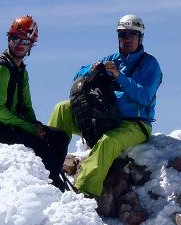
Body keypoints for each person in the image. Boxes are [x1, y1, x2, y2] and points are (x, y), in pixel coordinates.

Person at [48, 14, 162, 198]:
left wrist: (119, 76)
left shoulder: (150, 65)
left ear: (140, 37)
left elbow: (144, 96)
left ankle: (84, 193)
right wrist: (93, 69)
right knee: (62, 108)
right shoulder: (113, 59)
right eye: (122, 34)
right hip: (106, 118)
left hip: (135, 124)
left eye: (132, 34)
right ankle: (47, 167)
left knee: (108, 142)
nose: (127, 39)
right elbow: (79, 73)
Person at [0, 15, 71, 190]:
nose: (19, 44)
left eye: (25, 41)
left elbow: (26, 106)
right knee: (39, 144)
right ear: (9, 38)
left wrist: (36, 126)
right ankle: (51, 185)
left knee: (60, 136)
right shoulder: (1, 68)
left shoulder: (21, 71)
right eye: (15, 38)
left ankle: (53, 179)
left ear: (31, 45)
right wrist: (29, 128)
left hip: (11, 124)